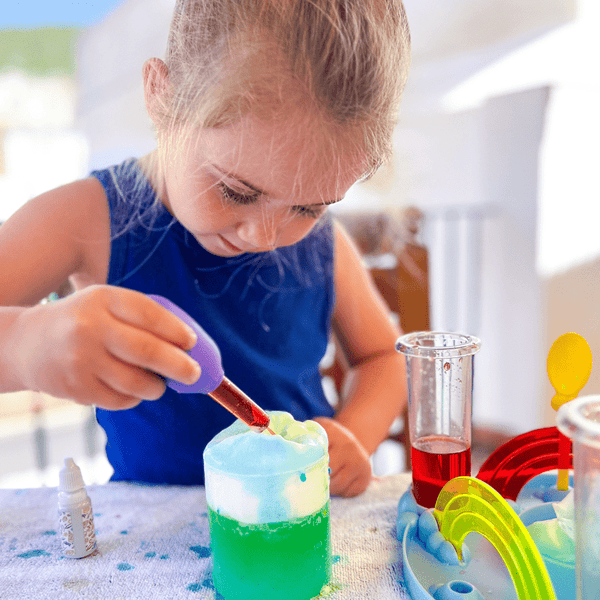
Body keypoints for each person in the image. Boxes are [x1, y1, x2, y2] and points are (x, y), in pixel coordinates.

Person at [0, 0, 411, 497]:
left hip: (292, 516)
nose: (264, 237)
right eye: (236, 191)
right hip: (153, 535)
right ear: (162, 94)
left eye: (310, 207)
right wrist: (22, 347)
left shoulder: (326, 244)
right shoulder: (80, 219)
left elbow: (382, 359)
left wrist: (354, 435)